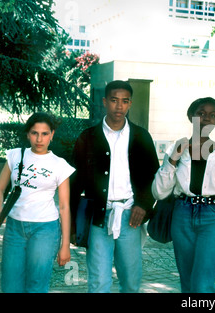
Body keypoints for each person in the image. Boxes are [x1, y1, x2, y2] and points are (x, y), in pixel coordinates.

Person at [70, 80, 159, 293]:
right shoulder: (88, 137)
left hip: (130, 217)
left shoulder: (141, 137)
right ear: (104, 102)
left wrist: (143, 205)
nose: (119, 106)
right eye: (114, 100)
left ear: (130, 104)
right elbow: (74, 184)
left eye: (125, 101)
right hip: (98, 218)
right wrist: (73, 225)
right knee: (99, 282)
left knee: (130, 281)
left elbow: (153, 177)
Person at [152, 97, 215, 293]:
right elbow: (159, 191)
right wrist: (173, 159)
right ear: (191, 116)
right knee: (188, 282)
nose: (207, 118)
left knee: (203, 284)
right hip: (182, 215)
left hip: (213, 217)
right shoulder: (177, 149)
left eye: (212, 115)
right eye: (201, 113)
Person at [0, 112, 74, 293]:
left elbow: (64, 207)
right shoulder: (15, 156)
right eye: (34, 133)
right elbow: (0, 188)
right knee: (10, 285)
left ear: (52, 134)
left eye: (45, 133)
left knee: (36, 285)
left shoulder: (60, 165)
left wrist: (65, 246)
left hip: (45, 229)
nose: (39, 139)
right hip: (15, 228)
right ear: (28, 134)